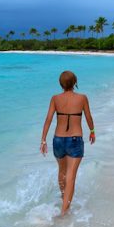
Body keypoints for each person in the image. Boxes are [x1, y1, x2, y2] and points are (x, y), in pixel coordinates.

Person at [40, 70, 95, 216]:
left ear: (61, 84)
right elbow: (88, 116)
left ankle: (64, 198)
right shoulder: (82, 98)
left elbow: (48, 119)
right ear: (75, 82)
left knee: (62, 171)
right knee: (71, 175)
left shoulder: (55, 98)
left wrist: (43, 140)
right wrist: (92, 130)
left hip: (58, 139)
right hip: (75, 139)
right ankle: (64, 212)